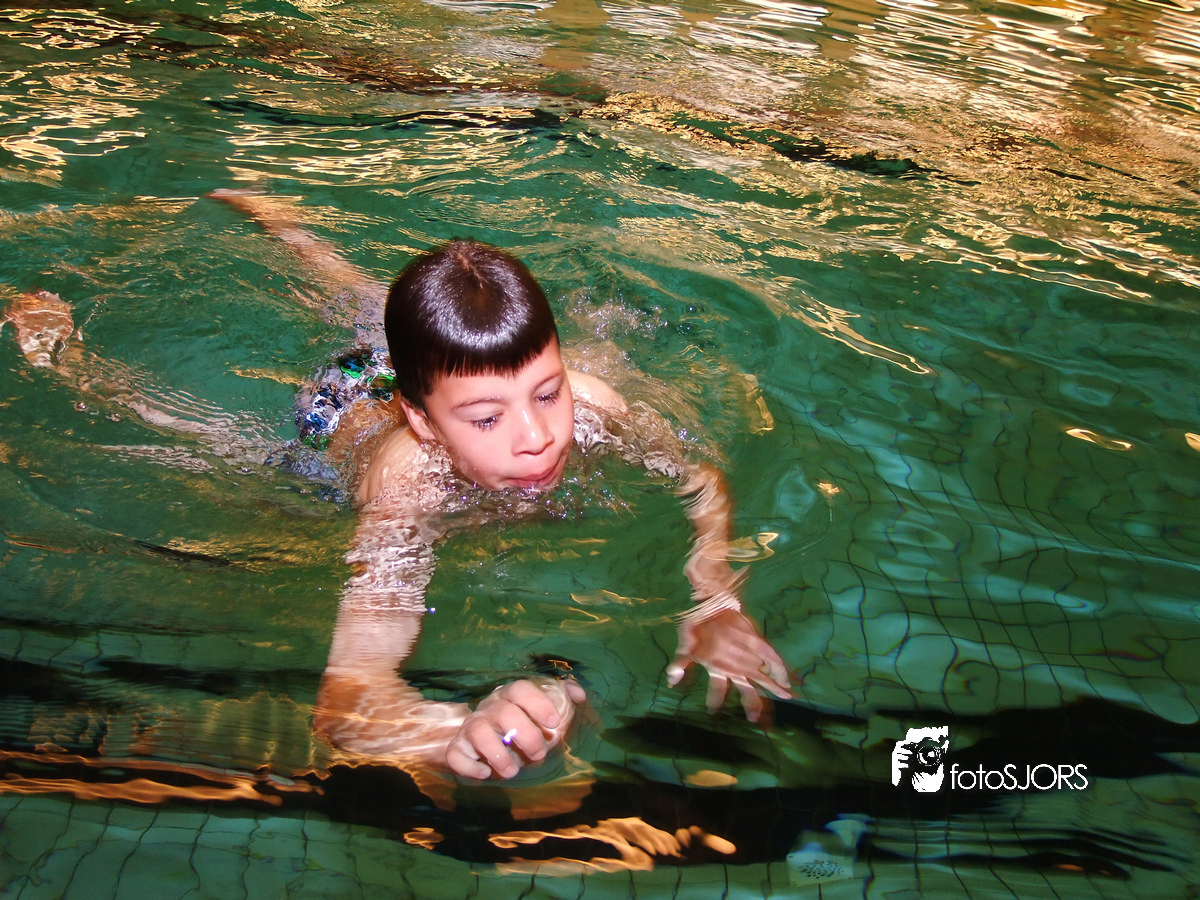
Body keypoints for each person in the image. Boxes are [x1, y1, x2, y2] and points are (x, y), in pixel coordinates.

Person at [212, 190, 791, 785]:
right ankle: (286, 230)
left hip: (432, 379)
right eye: (488, 420)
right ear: (424, 424)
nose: (538, 437)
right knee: (354, 321)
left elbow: (700, 480)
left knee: (376, 312)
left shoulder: (596, 406)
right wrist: (454, 731)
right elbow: (347, 701)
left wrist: (715, 594)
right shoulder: (405, 493)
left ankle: (291, 226)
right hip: (346, 399)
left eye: (549, 393)